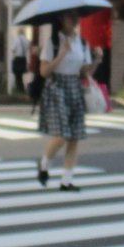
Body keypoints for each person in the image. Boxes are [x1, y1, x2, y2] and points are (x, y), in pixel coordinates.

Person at [36, 10, 102, 191]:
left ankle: (66, 180)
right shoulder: (53, 42)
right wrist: (61, 55)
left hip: (75, 86)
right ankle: (44, 163)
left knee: (74, 137)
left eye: (76, 17)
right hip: (57, 87)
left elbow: (86, 72)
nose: (74, 20)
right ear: (60, 19)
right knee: (62, 135)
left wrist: (97, 60)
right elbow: (44, 72)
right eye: (69, 17)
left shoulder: (82, 43)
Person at [10, 28, 31, 96]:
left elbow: (12, 49)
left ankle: (20, 89)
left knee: (17, 75)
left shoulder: (16, 40)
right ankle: (21, 89)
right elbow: (28, 49)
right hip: (23, 59)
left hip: (18, 58)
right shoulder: (27, 40)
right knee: (21, 74)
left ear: (18, 32)